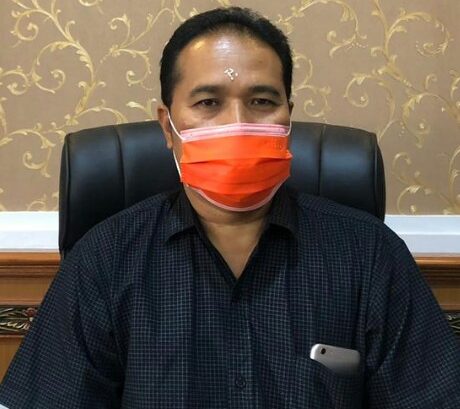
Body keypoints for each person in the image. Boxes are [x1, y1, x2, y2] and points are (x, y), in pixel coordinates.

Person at [0, 6, 459, 408]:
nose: (237, 123)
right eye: (208, 102)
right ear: (168, 127)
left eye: (261, 101)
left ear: (288, 117)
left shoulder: (370, 255)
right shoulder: (105, 259)